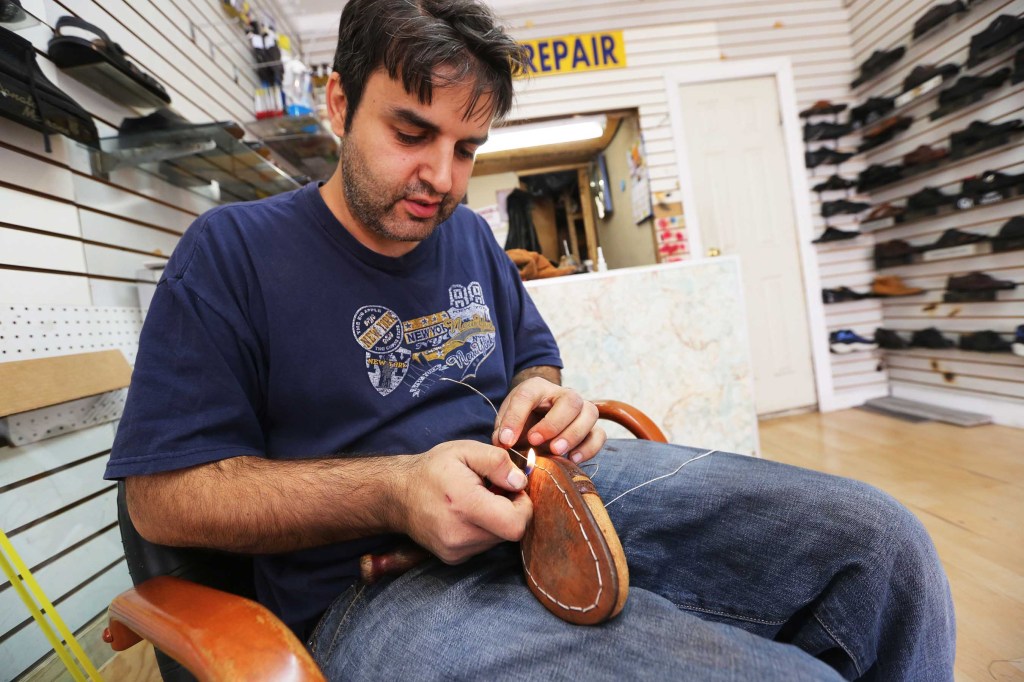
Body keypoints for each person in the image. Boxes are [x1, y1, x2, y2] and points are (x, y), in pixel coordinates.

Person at [105, 0, 955, 679]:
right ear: (337, 102)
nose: (442, 177)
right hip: (378, 592)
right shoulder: (230, 253)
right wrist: (396, 489)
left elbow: (533, 360)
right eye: (411, 133)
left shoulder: (469, 236)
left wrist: (547, 397)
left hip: (554, 504)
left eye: (467, 147)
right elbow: (163, 498)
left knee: (886, 553)